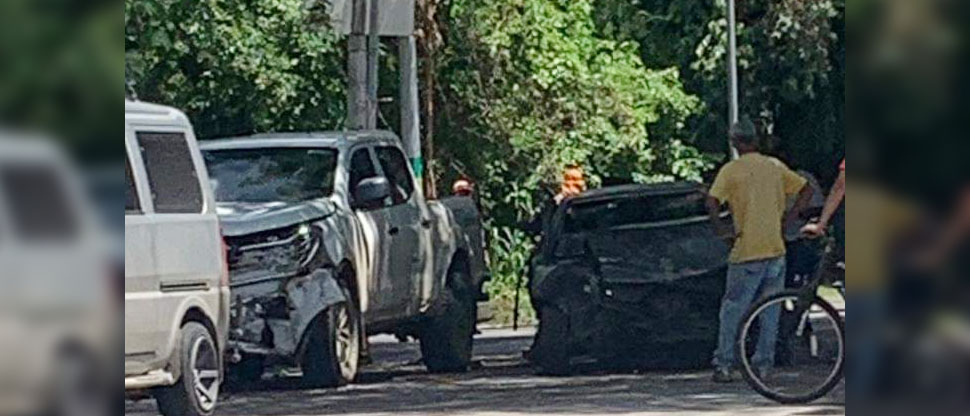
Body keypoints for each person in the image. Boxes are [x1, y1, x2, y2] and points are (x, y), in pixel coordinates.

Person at [706, 117, 814, 383]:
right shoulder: (774, 166)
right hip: (775, 248)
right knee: (770, 309)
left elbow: (711, 200)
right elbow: (805, 189)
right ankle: (763, 364)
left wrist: (721, 230)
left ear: (735, 143)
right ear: (756, 140)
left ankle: (725, 363)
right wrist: (789, 218)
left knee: (733, 307)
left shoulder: (731, 171)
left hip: (745, 249)